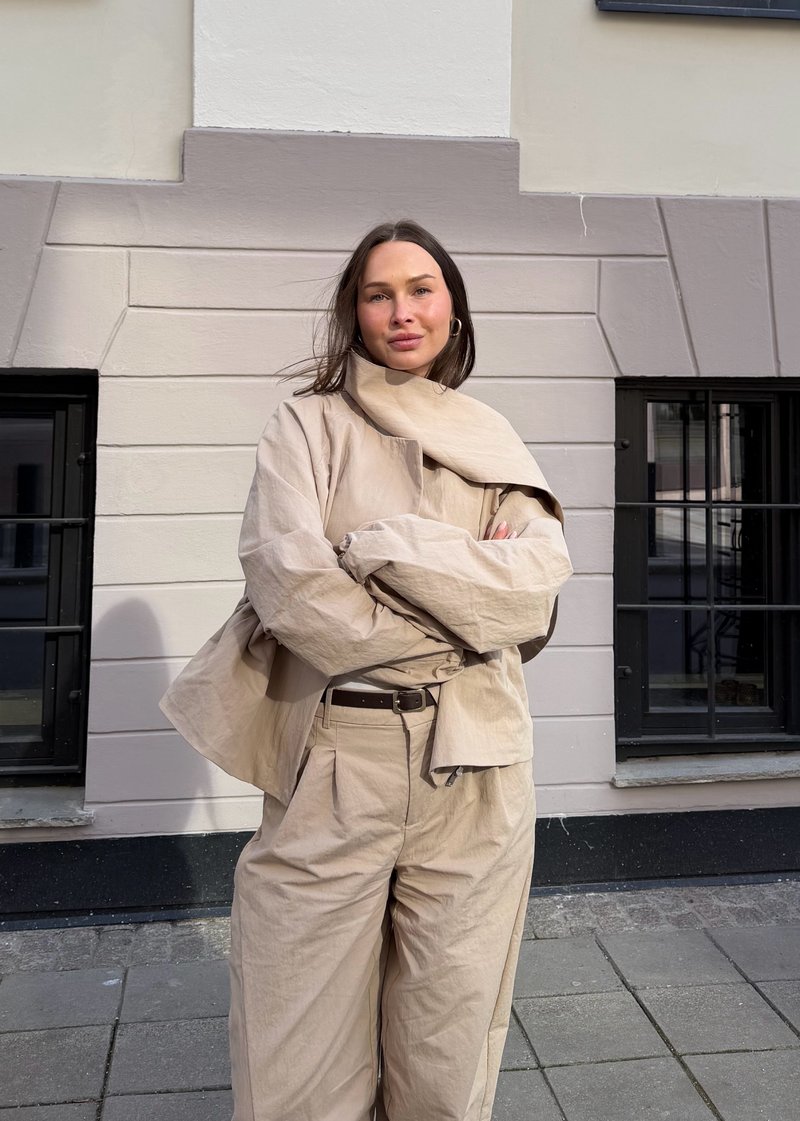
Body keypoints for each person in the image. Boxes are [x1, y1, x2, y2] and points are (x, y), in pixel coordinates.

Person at [161, 220, 572, 1121]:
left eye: (421, 288)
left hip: (479, 765)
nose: (402, 310)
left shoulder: (491, 437)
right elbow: (293, 589)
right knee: (294, 1049)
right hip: (338, 758)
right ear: (353, 310)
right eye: (379, 293)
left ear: (452, 304)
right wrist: (463, 607)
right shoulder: (305, 426)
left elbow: (534, 589)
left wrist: (384, 550)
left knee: (449, 1042)